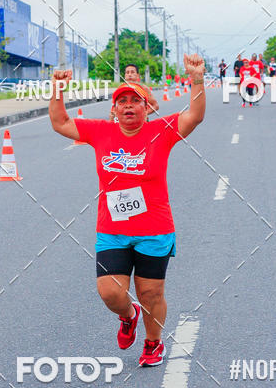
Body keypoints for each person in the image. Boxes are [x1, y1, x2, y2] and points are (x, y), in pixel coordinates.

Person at [48, 54, 206, 367]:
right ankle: (128, 315)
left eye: (136, 101)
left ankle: (153, 343)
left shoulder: (161, 131)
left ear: (148, 108)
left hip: (154, 229)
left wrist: (197, 79)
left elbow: (195, 116)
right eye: (123, 102)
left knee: (151, 294)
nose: (129, 106)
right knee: (110, 293)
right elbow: (60, 122)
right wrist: (57, 90)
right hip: (112, 230)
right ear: (114, 110)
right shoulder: (100, 132)